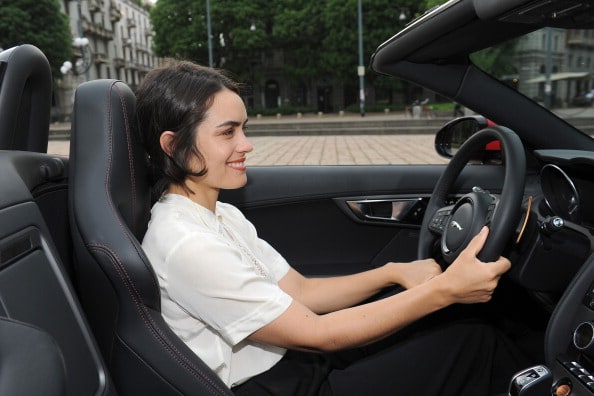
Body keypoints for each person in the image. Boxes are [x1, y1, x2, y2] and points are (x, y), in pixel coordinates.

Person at [136, 61, 529, 396]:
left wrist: (393, 272)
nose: (246, 145)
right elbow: (318, 333)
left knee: (445, 320)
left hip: (292, 361)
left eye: (244, 128)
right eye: (228, 132)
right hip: (274, 384)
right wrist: (444, 290)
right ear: (173, 145)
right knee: (474, 343)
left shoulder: (218, 214)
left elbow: (302, 291)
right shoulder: (186, 243)